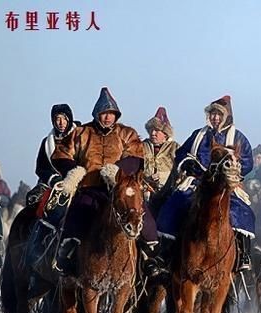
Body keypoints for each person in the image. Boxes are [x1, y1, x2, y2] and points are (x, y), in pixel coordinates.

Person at [51, 87, 160, 277]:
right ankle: (66, 257)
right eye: (104, 114)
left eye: (111, 114)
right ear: (97, 114)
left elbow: (137, 157)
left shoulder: (126, 133)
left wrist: (118, 169)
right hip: (89, 188)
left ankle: (150, 257)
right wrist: (73, 172)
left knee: (140, 214)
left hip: (119, 187)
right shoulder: (81, 133)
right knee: (78, 213)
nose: (108, 118)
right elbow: (61, 154)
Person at [156, 95, 255, 272]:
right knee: (174, 205)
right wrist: (186, 162)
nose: (215, 118)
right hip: (196, 183)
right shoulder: (198, 135)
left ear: (226, 117)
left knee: (243, 211)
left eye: (218, 114)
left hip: (226, 186)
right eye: (212, 114)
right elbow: (180, 154)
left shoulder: (238, 137)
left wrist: (233, 171)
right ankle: (166, 253)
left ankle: (243, 254)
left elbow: (248, 162)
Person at [25, 104, 79, 267]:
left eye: (64, 119)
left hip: (79, 181)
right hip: (55, 185)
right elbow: (40, 167)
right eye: (57, 119)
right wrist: (54, 179)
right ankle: (35, 249)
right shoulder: (47, 143)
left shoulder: (81, 135)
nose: (61, 123)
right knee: (44, 208)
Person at [142, 106, 179, 204]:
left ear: (165, 133)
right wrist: (146, 179)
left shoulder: (175, 147)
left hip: (168, 193)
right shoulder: (141, 147)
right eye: (150, 130)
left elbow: (180, 172)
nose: (153, 133)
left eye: (156, 130)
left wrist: (162, 177)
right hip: (144, 193)